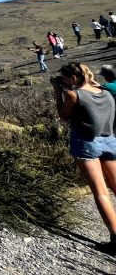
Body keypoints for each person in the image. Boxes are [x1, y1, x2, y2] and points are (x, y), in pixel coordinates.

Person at [52, 62, 116, 253]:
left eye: (64, 78)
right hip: (110, 141)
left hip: (87, 144)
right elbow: (91, 83)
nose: (62, 82)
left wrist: (58, 92)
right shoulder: (104, 91)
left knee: (101, 192)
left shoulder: (73, 94)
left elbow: (63, 115)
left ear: (72, 79)